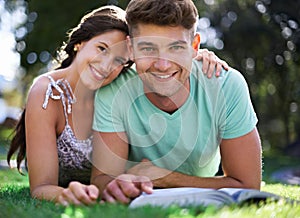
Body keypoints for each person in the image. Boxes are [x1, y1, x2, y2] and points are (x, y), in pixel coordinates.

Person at [7, 5, 227, 206]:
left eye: (119, 61)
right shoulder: (47, 93)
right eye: (102, 49)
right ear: (80, 43)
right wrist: (68, 195)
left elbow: (162, 63)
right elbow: (41, 188)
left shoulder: (121, 89)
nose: (105, 67)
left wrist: (197, 56)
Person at [91, 0, 262, 204]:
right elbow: (102, 179)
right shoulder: (113, 91)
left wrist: (165, 178)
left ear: (194, 47)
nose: (163, 65)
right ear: (130, 48)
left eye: (176, 48)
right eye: (148, 48)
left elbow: (248, 185)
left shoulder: (226, 85)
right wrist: (115, 186)